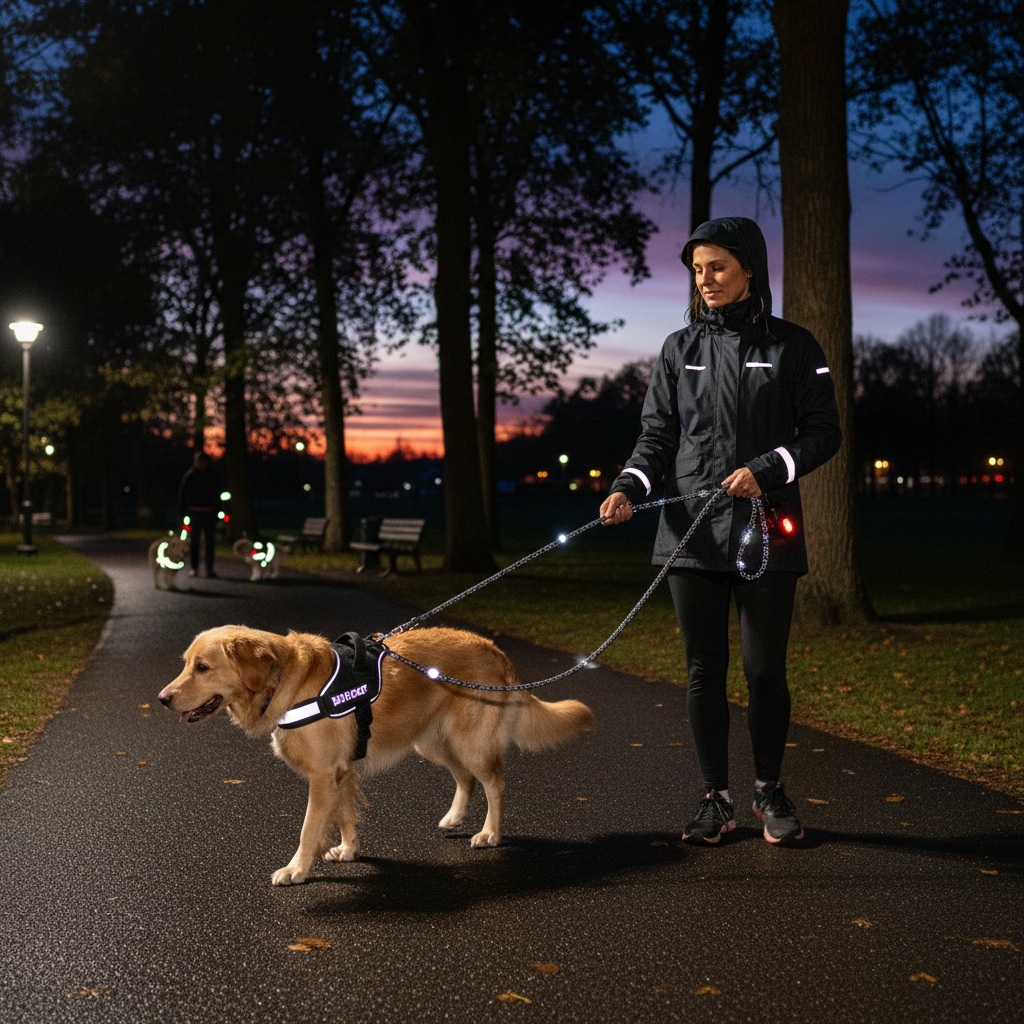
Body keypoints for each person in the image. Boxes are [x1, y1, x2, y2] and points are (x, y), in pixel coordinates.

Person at [599, 217, 841, 846]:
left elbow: (823, 433)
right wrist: (629, 486)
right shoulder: (679, 349)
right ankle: (715, 799)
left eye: (718, 268)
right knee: (704, 670)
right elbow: (656, 437)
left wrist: (769, 468)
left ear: (749, 269)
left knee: (764, 672)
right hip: (690, 535)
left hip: (767, 531)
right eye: (698, 269)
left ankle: (768, 790)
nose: (704, 280)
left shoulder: (796, 346)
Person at [177, 451, 221, 578]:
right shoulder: (190, 475)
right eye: (199, 461)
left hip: (209, 513)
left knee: (210, 542)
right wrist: (182, 513)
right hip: (194, 513)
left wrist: (218, 511)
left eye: (203, 461)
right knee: (194, 542)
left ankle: (210, 568)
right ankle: (194, 568)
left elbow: (218, 493)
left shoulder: (213, 475)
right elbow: (182, 495)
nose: (201, 463)